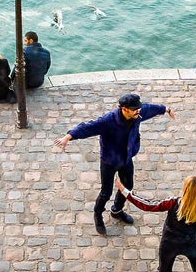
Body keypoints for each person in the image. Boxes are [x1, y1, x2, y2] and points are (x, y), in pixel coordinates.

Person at [57, 91, 173, 236]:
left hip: (126, 158)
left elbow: (151, 109)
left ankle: (117, 210)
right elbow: (89, 127)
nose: (138, 111)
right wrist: (69, 136)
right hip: (109, 161)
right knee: (106, 192)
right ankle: (98, 214)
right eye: (135, 109)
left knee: (128, 186)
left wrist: (165, 109)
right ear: (124, 109)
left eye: (139, 108)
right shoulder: (108, 121)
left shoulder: (139, 114)